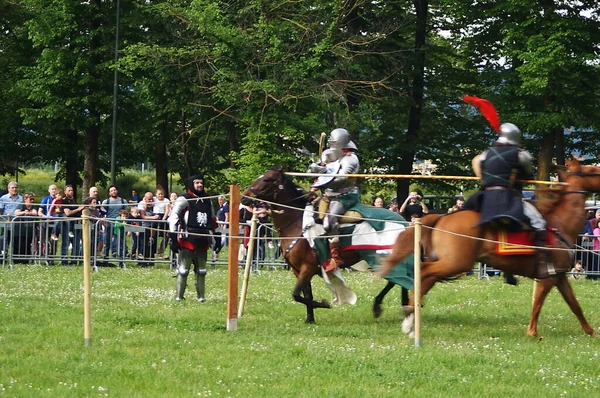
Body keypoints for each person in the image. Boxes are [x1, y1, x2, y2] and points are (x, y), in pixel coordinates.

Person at [465, 98, 547, 283]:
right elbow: (528, 175)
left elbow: (476, 161)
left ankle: (508, 265)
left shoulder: (486, 153)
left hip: (483, 197)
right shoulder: (521, 154)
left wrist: (482, 179)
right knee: (538, 220)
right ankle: (543, 262)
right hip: (504, 196)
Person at [308, 127, 360, 272]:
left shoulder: (350, 159)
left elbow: (341, 179)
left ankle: (335, 257)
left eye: (333, 142)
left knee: (328, 222)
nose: (330, 144)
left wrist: (323, 172)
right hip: (328, 195)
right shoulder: (330, 155)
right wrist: (314, 168)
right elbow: (315, 172)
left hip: (344, 195)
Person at [168, 174, 217, 302]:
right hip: (187, 238)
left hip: (203, 237)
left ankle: (201, 297)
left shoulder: (207, 199)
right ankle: (179, 297)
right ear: (191, 184)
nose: (200, 185)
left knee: (202, 271)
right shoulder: (184, 199)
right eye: (197, 183)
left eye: (201, 183)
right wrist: (173, 237)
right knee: (183, 270)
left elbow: (212, 219)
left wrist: (215, 235)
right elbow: (173, 217)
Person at [101, 186, 129, 258]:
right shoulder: (106, 202)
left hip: (119, 224)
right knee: (107, 242)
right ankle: (106, 257)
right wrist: (104, 223)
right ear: (109, 193)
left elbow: (127, 213)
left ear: (117, 191)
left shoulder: (123, 201)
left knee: (120, 241)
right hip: (109, 224)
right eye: (112, 190)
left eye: (115, 190)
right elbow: (102, 214)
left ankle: (120, 257)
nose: (114, 191)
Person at [13, 192, 40, 263]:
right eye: (30, 199)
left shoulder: (34, 206)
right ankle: (17, 260)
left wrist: (29, 213)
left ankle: (26, 260)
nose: (32, 201)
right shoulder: (21, 205)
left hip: (30, 230)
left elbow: (35, 213)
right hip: (19, 229)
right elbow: (16, 213)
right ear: (25, 199)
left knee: (28, 244)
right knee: (19, 244)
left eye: (32, 199)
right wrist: (24, 212)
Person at [62, 184, 84, 264]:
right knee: (66, 243)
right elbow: (67, 213)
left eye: (72, 190)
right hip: (67, 226)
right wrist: (78, 209)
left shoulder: (74, 201)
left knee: (76, 244)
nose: (71, 192)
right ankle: (64, 261)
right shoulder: (64, 201)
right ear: (65, 192)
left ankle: (74, 261)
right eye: (69, 190)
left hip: (76, 225)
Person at [0, 181, 23, 253]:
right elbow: (0, 210)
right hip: (6, 223)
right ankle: (3, 258)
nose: (14, 189)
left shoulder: (21, 198)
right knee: (4, 240)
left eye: (16, 187)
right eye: (12, 188)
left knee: (16, 241)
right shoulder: (3, 198)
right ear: (8, 189)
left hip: (17, 224)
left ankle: (15, 258)